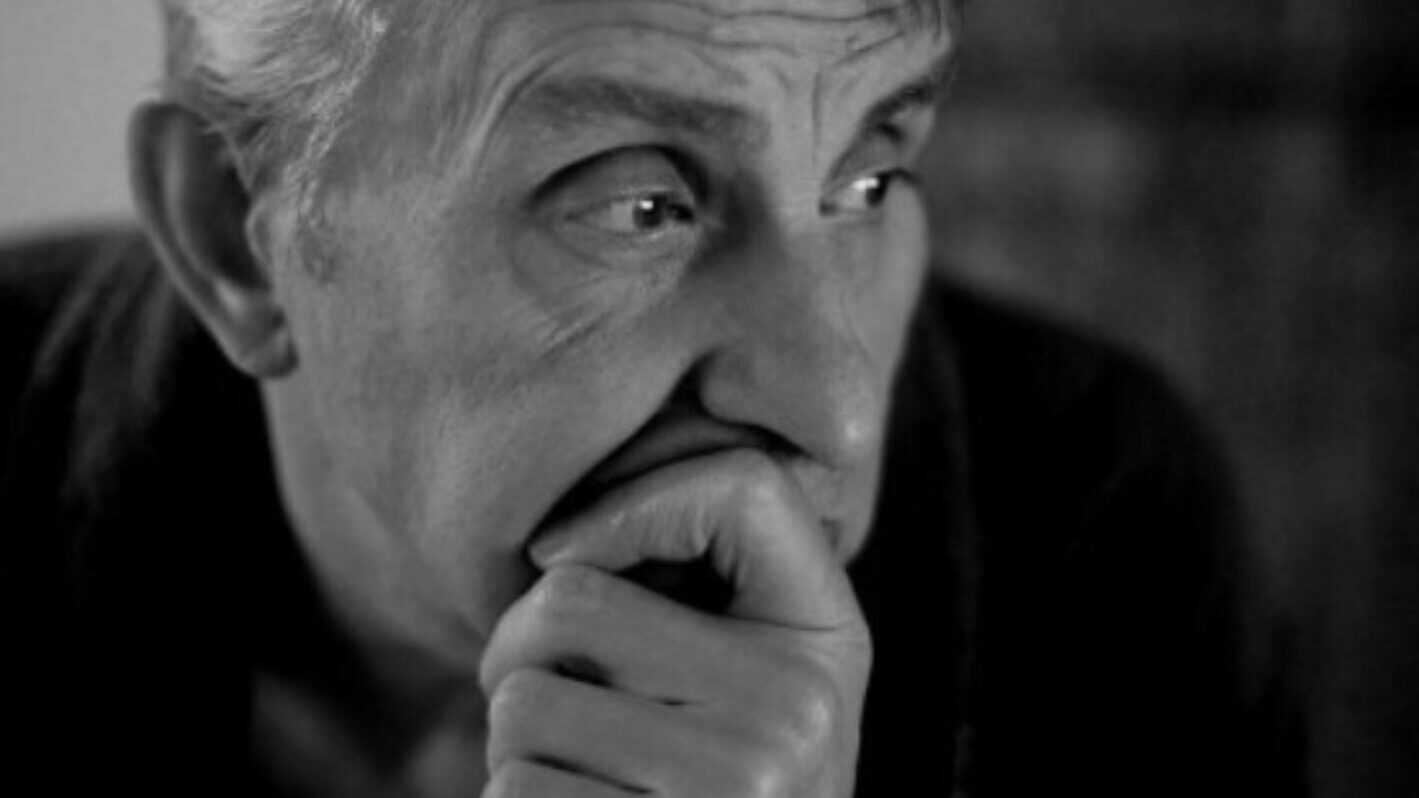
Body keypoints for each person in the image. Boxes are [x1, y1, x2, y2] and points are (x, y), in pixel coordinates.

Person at [0, 0, 1301, 795]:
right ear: (238, 233)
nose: (840, 414)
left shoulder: (1101, 531)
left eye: (866, 180)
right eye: (638, 204)